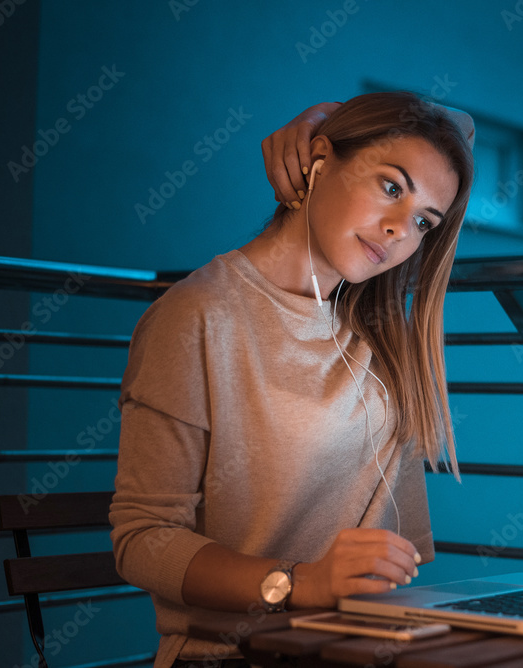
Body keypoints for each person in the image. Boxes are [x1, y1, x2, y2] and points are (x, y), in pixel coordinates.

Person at [109, 91, 475, 668]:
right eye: (390, 186)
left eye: (425, 220)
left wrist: (329, 115)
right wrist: (298, 584)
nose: (400, 229)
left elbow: (460, 130)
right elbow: (143, 540)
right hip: (230, 656)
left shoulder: (374, 336)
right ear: (321, 159)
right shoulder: (199, 317)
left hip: (355, 650)